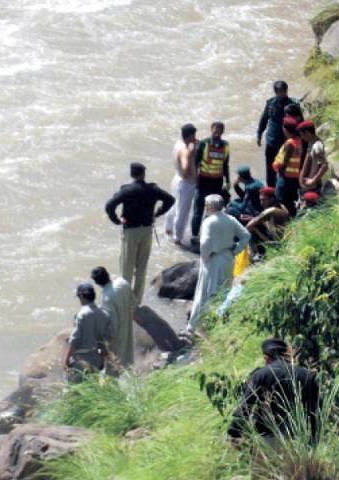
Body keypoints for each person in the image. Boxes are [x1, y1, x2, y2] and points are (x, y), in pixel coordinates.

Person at [227, 338, 319, 479]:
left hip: (268, 442)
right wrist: (312, 444)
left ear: (266, 357)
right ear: (286, 354)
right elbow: (314, 414)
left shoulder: (260, 375)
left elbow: (245, 408)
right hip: (298, 442)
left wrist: (234, 432)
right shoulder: (307, 376)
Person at [105, 163, 175, 304]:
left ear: (132, 174)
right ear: (144, 174)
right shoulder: (153, 189)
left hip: (131, 232)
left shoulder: (127, 190)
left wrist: (117, 220)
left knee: (127, 268)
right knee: (141, 268)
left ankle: (125, 301)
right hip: (147, 231)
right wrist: (157, 213)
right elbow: (170, 200)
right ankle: (136, 302)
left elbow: (109, 206)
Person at [187, 195, 250, 332]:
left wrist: (204, 258)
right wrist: (236, 250)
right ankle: (217, 324)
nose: (204, 207)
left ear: (210, 206)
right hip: (228, 257)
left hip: (212, 259)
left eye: (205, 205)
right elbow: (246, 235)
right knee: (224, 291)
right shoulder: (231, 219)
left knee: (203, 293)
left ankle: (193, 327)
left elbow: (204, 243)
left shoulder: (209, 222)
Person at [63, 283, 113, 383]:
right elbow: (106, 340)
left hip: (81, 360)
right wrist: (102, 359)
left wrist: (66, 359)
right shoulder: (104, 314)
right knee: (92, 388)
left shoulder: (81, 315)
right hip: (96, 359)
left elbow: (75, 340)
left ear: (81, 296)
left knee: (75, 391)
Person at [191, 122, 231, 244]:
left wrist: (228, 180)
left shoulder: (226, 146)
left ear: (223, 132)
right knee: (198, 210)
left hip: (216, 183)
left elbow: (225, 165)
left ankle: (206, 234)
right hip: (202, 181)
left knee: (213, 211)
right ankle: (194, 236)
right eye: (215, 131)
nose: (217, 134)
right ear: (211, 130)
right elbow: (195, 162)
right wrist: (194, 179)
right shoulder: (204, 144)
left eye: (220, 131)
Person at [91, 266, 136, 372]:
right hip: (127, 326)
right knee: (128, 362)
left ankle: (113, 387)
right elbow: (133, 302)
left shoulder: (106, 299)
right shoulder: (122, 283)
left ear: (96, 283)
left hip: (117, 338)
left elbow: (111, 327)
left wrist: (104, 346)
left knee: (113, 369)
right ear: (107, 274)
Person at [257, 81, 299, 187]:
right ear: (275, 92)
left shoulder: (293, 105)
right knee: (270, 168)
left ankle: (283, 188)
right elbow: (264, 119)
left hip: (286, 143)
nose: (282, 93)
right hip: (272, 140)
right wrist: (259, 134)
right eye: (280, 91)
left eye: (284, 91)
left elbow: (300, 122)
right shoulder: (270, 103)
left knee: (285, 167)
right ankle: (271, 189)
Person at [165, 124, 197, 245]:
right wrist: (188, 172)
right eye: (194, 136)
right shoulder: (185, 151)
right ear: (190, 135)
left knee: (174, 206)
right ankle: (177, 238)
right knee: (183, 211)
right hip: (186, 183)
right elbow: (185, 167)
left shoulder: (178, 144)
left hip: (176, 179)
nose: (195, 138)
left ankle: (168, 229)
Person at [245, 187, 290, 256]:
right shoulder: (282, 206)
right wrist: (255, 219)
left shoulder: (270, 211)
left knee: (251, 228)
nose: (261, 203)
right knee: (256, 224)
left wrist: (255, 228)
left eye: (264, 200)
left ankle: (255, 255)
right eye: (260, 200)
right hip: (284, 240)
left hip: (278, 245)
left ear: (271, 199)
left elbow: (248, 226)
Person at [274, 117, 302, 217]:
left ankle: (284, 224)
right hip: (294, 178)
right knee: (291, 203)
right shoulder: (298, 141)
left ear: (285, 129)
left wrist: (278, 168)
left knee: (280, 201)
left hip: (285, 178)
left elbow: (284, 162)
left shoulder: (290, 144)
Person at [297, 120, 328, 194]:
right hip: (306, 187)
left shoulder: (317, 146)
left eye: (302, 135)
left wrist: (313, 180)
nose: (301, 138)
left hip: (312, 189)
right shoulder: (311, 142)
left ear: (307, 133)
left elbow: (324, 166)